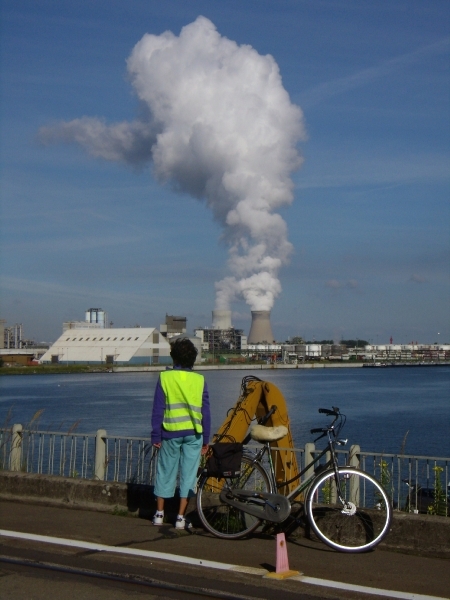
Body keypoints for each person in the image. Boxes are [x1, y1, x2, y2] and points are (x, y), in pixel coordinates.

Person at [151, 338, 211, 529]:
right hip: (194, 434)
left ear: (173, 357)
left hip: (170, 432)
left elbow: (158, 409)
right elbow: (206, 412)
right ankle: (180, 518)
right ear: (193, 359)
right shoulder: (200, 380)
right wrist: (206, 439)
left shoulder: (165, 377)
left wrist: (155, 435)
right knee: (189, 476)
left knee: (165, 472)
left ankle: (159, 514)